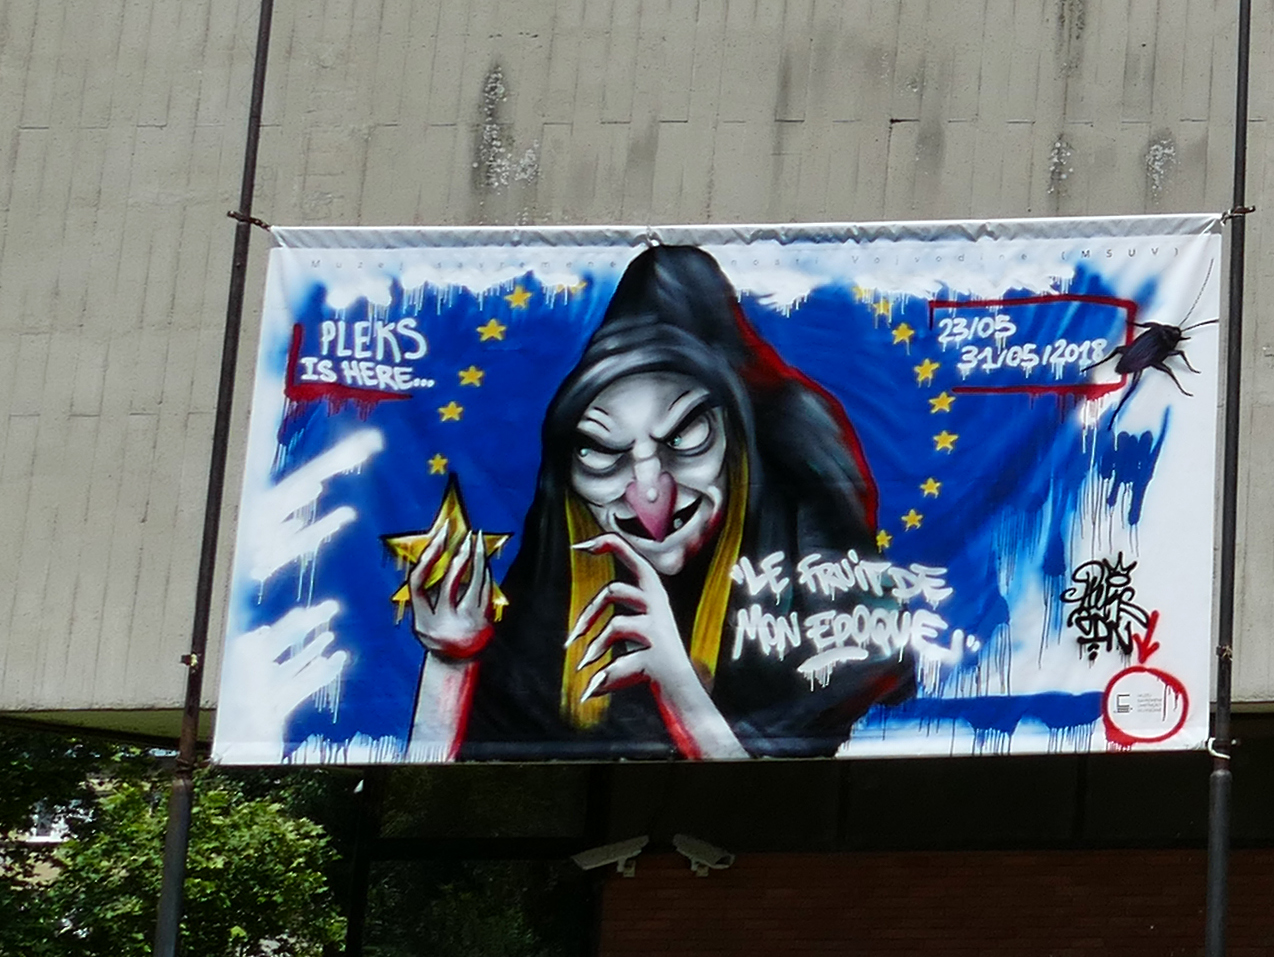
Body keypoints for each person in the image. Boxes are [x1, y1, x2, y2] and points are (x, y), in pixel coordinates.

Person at [394, 241, 924, 758]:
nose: (649, 493)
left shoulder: (825, 624)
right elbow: (431, 792)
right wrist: (452, 661)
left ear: (743, 447)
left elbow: (780, 807)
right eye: (600, 451)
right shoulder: (553, 618)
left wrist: (680, 688)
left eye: (687, 434)